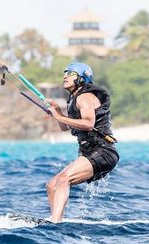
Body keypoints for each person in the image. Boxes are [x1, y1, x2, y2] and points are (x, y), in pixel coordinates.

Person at [44, 62, 119, 223]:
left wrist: (59, 117)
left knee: (64, 179)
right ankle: (56, 220)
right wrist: (57, 111)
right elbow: (65, 127)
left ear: (82, 78)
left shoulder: (85, 97)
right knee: (52, 185)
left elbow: (88, 124)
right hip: (91, 152)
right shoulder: (73, 99)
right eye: (64, 72)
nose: (65, 76)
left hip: (104, 151)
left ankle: (55, 221)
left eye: (70, 73)